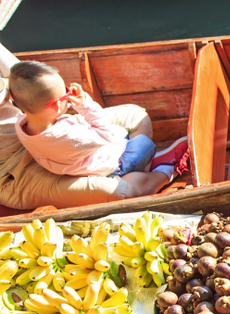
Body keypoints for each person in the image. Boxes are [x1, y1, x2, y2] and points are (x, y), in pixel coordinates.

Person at [0, 43, 188, 212]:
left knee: (136, 116)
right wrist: (83, 104)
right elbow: (106, 135)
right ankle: (167, 169)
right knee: (122, 192)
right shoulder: (72, 137)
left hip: (38, 132)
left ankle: (140, 167)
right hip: (12, 174)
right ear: (57, 105)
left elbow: (23, 78)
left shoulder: (22, 122)